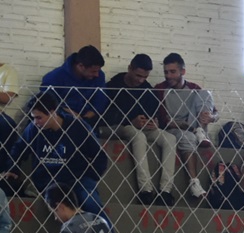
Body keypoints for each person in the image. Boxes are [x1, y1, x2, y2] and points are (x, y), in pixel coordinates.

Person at [16, 91, 108, 218]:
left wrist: (90, 177)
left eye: (39, 117)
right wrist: (12, 169)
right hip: (49, 182)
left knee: (91, 204)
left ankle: (104, 230)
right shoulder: (33, 129)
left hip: (77, 179)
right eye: (33, 117)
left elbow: (99, 156)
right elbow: (19, 149)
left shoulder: (77, 127)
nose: (35, 122)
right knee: (60, 207)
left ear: (53, 112)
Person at [104, 54, 175, 205]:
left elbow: (155, 112)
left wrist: (154, 122)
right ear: (130, 68)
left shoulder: (147, 89)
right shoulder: (113, 86)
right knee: (138, 137)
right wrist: (130, 120)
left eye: (145, 77)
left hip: (144, 127)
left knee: (170, 138)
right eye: (138, 75)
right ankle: (146, 190)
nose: (141, 80)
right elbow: (106, 115)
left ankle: (166, 191)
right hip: (122, 127)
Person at [154, 53, 217, 200]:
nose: (168, 76)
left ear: (183, 71)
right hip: (173, 129)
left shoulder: (193, 88)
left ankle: (200, 131)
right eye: (166, 72)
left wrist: (211, 118)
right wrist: (176, 124)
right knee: (188, 137)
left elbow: (216, 113)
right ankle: (194, 182)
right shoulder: (160, 89)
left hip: (194, 124)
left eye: (172, 72)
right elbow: (161, 120)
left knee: (205, 93)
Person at [40, 46, 107, 125]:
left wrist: (85, 119)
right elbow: (48, 103)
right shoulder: (54, 78)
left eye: (98, 71)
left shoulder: (99, 76)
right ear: (81, 66)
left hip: (88, 119)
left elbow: (100, 101)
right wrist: (72, 115)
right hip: (60, 120)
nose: (97, 75)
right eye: (93, 71)